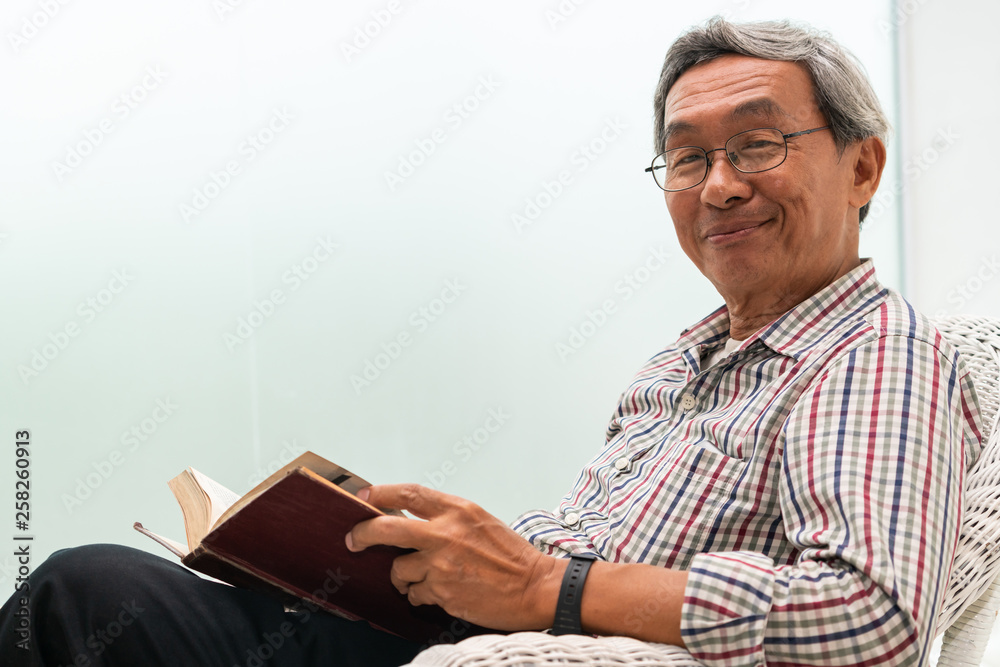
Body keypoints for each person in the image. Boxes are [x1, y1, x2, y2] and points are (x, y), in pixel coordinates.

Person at [0, 16, 983, 667]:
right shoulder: (675, 366)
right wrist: (424, 548)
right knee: (99, 595)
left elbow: (870, 613)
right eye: (687, 157)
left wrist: (542, 583)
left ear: (862, 166)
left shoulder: (877, 350)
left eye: (757, 143)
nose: (718, 184)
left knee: (83, 594)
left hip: (508, 645)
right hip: (429, 623)